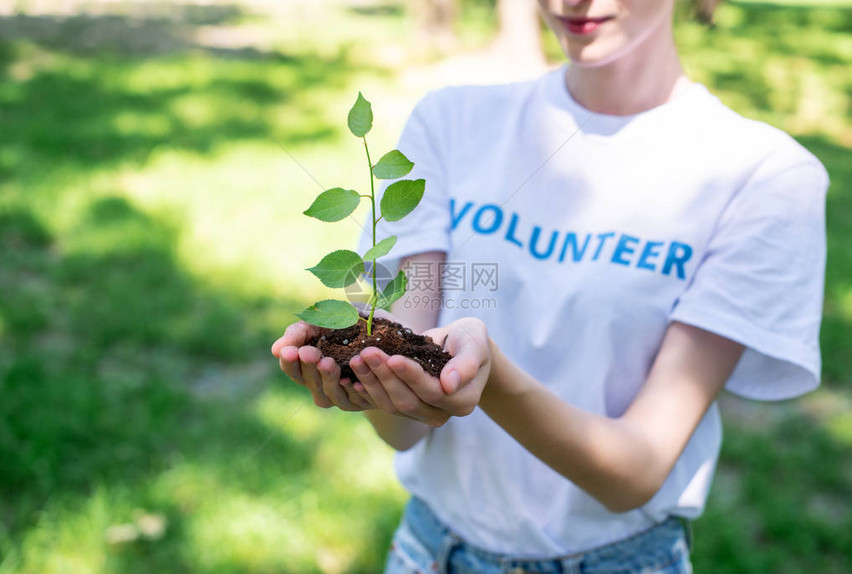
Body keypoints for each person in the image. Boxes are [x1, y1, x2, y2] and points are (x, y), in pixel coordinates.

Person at [272, 0, 829, 571]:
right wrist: (367, 379)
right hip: (430, 552)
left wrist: (490, 378)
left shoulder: (765, 179)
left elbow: (636, 473)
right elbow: (405, 426)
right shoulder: (453, 123)